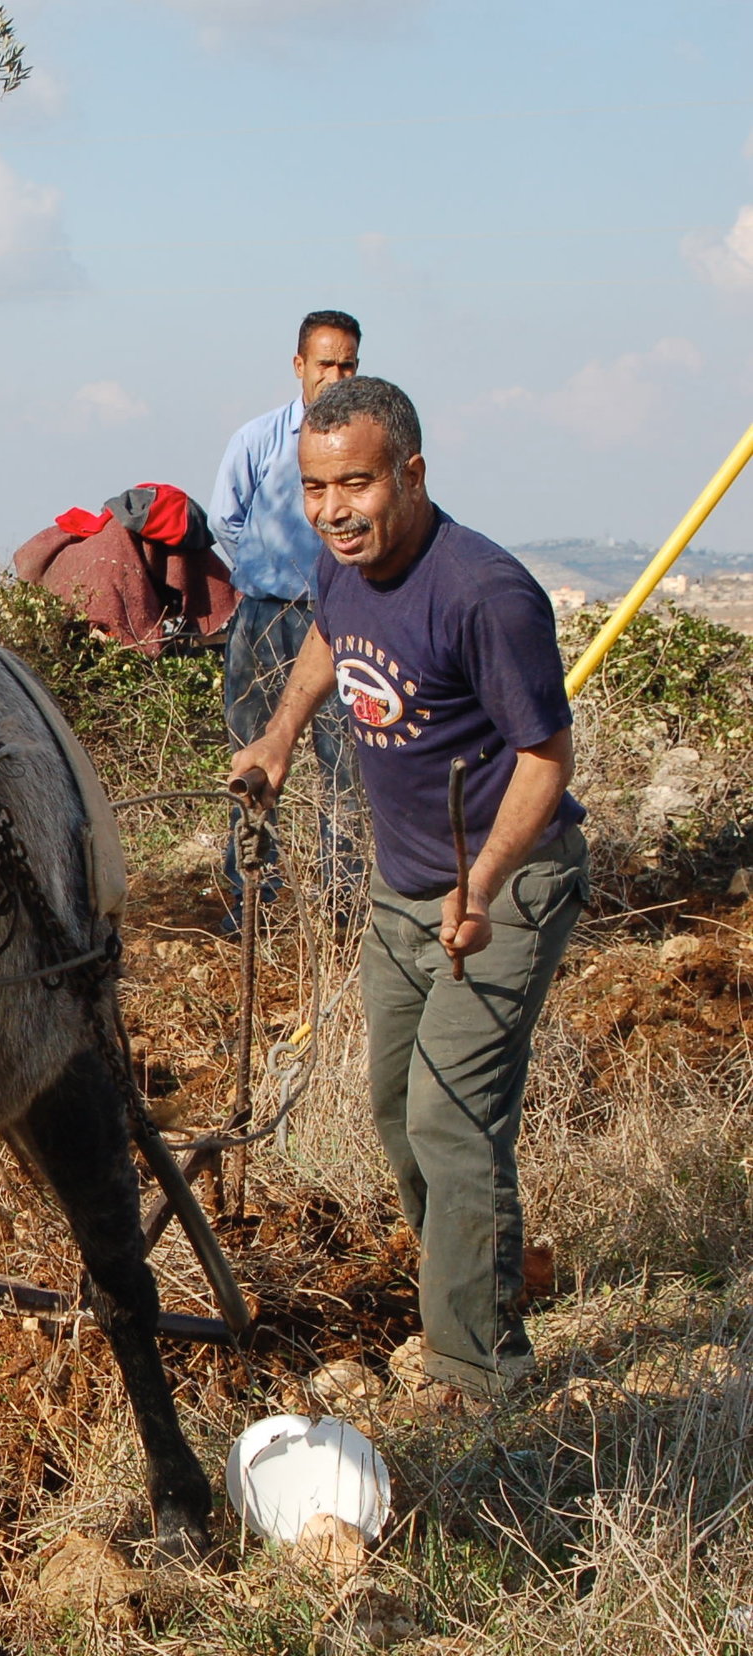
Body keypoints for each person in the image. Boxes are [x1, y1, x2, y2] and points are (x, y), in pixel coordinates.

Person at [229, 376, 586, 1403]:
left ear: (411, 475)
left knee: (449, 1117)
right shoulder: (345, 566)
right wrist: (279, 738)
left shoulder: (484, 593)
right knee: (396, 1105)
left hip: (507, 884)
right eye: (313, 487)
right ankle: (482, 1275)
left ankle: (480, 1373)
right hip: (405, 887)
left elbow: (546, 759)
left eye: (357, 484)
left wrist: (478, 884)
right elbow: (329, 640)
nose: (333, 508)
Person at [212, 309, 367, 918]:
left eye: (348, 364)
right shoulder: (259, 439)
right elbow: (228, 518)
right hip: (261, 621)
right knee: (252, 756)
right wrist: (267, 568)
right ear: (300, 366)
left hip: (339, 622)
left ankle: (343, 903)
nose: (336, 375)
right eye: (325, 363)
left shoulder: (368, 446)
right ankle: (253, 896)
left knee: (345, 764)